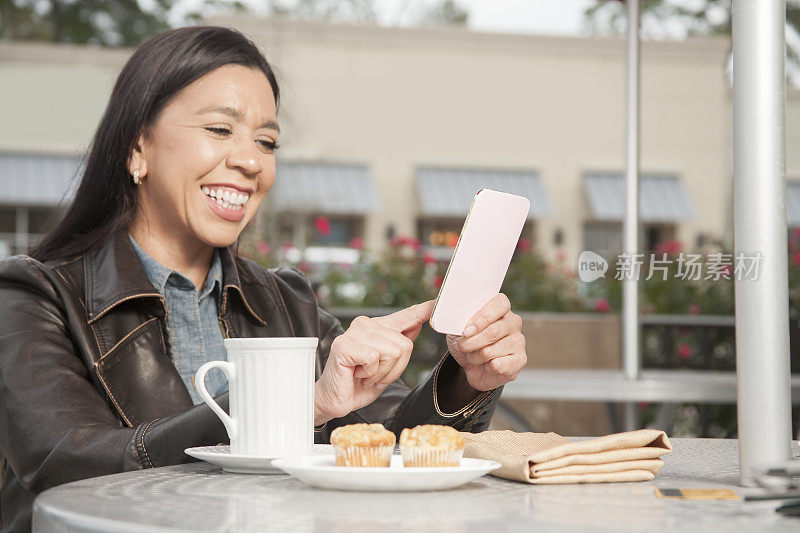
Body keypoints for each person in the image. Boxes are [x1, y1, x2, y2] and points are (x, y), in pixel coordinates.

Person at [0, 26, 527, 532]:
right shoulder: (35, 296)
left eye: (267, 141)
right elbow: (64, 463)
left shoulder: (284, 300)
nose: (252, 161)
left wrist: (465, 377)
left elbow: (386, 443)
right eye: (219, 129)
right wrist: (297, 406)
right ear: (137, 147)